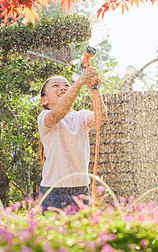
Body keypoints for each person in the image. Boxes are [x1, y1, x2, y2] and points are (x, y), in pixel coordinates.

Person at [38, 68, 107, 211]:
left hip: (81, 188)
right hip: (53, 190)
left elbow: (101, 118)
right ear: (44, 100)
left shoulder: (80, 116)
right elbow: (57, 115)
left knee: (82, 233)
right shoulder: (44, 116)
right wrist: (78, 83)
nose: (62, 87)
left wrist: (95, 91)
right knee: (54, 233)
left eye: (66, 85)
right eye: (55, 85)